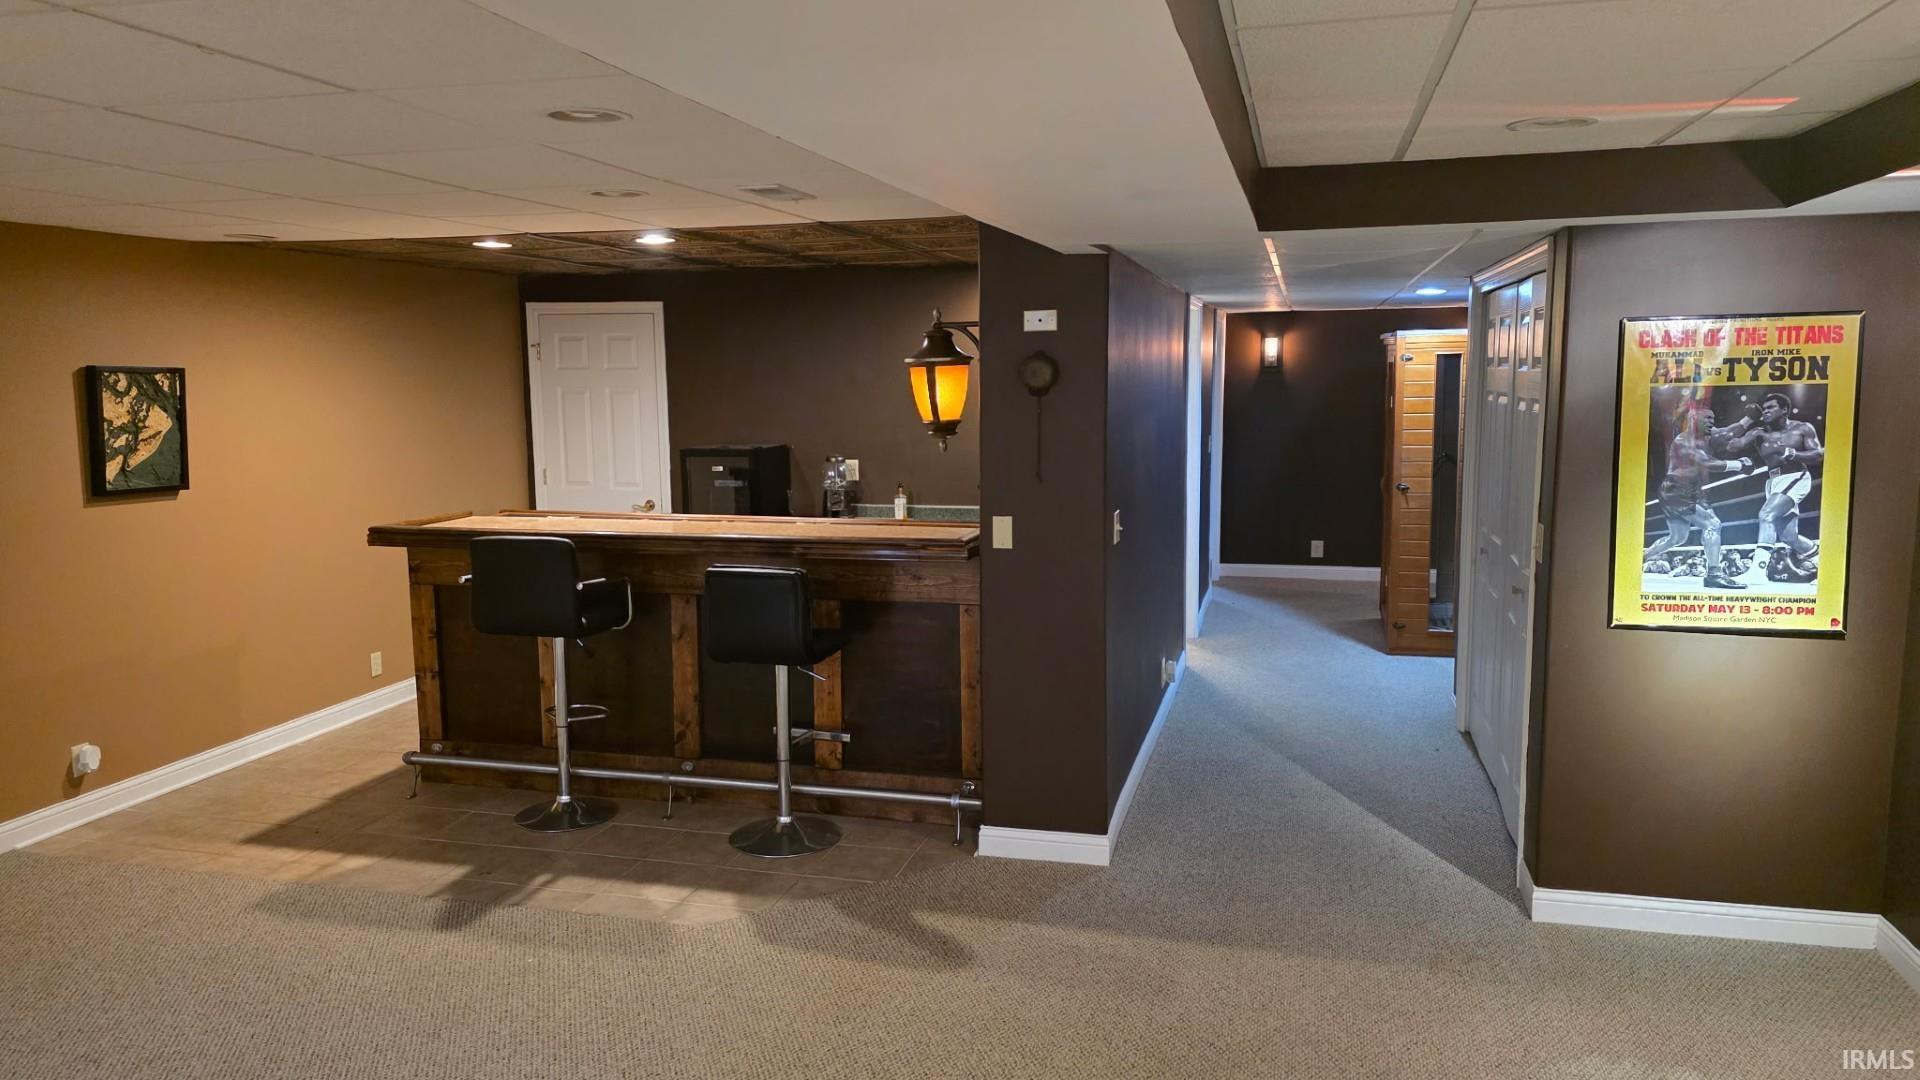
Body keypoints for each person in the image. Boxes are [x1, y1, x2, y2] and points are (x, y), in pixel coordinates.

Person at [1644, 401, 1753, 590]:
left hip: (1682, 491)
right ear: (1694, 419)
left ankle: (1641, 558)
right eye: (1707, 418)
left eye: (1713, 418)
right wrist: (1739, 465)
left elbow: (1728, 432)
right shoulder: (1682, 440)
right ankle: (1714, 575)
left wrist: (1749, 419)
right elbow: (1705, 462)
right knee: (1713, 524)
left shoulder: (1707, 436)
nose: (1712, 422)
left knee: (1677, 539)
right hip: (1677, 489)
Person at [1723, 392, 1823, 577]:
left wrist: (1793, 454)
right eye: (1764, 409)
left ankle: (1757, 571)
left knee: (1766, 514)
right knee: (1789, 537)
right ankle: (1820, 558)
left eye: (1771, 407)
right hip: (1772, 482)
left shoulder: (1802, 428)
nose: (1765, 412)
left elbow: (1818, 455)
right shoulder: (1758, 432)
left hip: (1795, 476)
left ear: (1784, 409)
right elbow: (1731, 446)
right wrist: (1746, 420)